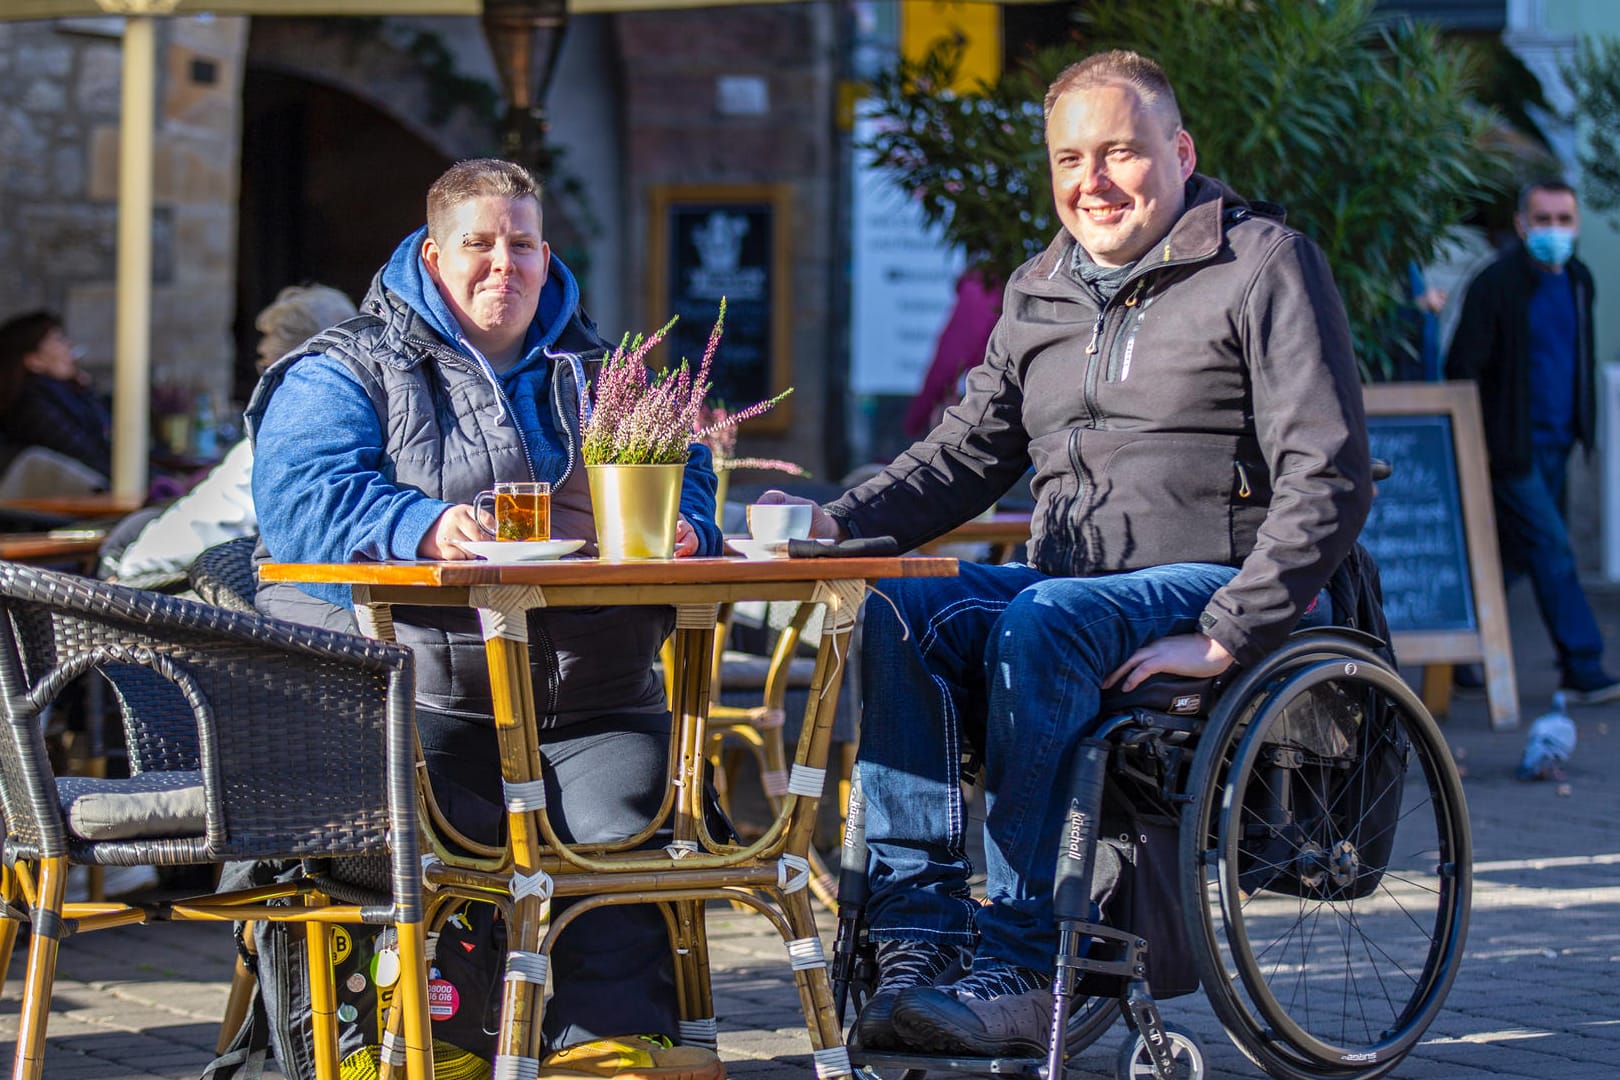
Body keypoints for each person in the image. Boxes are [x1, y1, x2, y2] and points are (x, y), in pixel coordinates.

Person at [765, 50, 1370, 1057]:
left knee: (1045, 617)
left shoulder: (1262, 264)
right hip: (1073, 586)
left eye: (1120, 152)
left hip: (1212, 577)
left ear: (1179, 152)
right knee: (897, 609)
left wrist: (1226, 634)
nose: (1090, 182)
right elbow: (964, 456)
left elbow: (1332, 476)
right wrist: (837, 520)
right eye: (1068, 160)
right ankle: (914, 941)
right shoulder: (1040, 287)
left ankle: (1018, 957)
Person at [246, 158, 726, 1079]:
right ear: (432, 254)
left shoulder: (608, 375)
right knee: (448, 832)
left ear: (548, 257)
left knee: (623, 817)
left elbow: (690, 483)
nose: (502, 262)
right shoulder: (343, 368)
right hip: (420, 702)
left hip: (593, 699)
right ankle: (435, 1046)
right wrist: (421, 525)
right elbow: (301, 501)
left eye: (522, 244)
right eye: (479, 243)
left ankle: (610, 1048)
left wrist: (680, 529)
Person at [1446, 179, 1619, 704]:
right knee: (1553, 549)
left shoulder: (1581, 280)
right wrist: (1478, 443)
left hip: (1560, 444)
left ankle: (1461, 648)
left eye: (1563, 220)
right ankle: (1582, 664)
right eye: (1542, 220)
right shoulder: (1496, 284)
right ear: (1521, 224)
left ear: (1576, 224)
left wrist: (1583, 427)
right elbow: (1460, 367)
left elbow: (1578, 359)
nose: (1553, 231)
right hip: (1510, 451)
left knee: (1516, 556)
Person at [105, 284, 359, 586]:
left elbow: (212, 523)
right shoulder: (372, 421)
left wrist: (125, 574)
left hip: (220, 596)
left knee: (125, 540)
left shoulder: (283, 439)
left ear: (290, 365)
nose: (262, 378)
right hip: (277, 593)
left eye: (267, 365)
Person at [0, 310, 113, 486]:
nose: (68, 346)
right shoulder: (31, 403)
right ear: (34, 360)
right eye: (58, 340)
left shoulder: (65, 394)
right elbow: (84, 453)